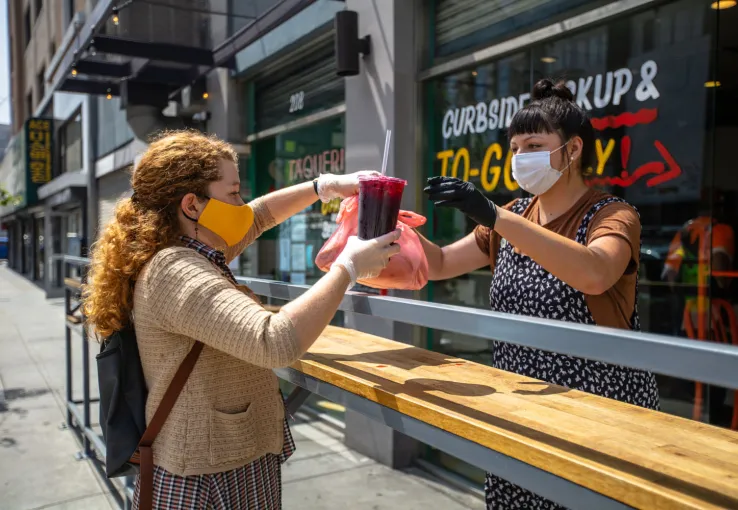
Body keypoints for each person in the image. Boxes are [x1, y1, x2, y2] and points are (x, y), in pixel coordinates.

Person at [82, 131, 400, 509]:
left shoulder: (187, 246)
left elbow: (260, 216)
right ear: (192, 205)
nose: (241, 203)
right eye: (232, 193)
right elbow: (274, 340)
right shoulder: (174, 269)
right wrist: (348, 266)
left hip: (222, 458)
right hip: (208, 475)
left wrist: (324, 187)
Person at [421, 79, 660, 510]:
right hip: (522, 407)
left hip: (598, 411)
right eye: (514, 148)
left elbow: (594, 273)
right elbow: (437, 265)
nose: (519, 157)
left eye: (532, 144)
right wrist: (388, 223)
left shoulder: (613, 214)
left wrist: (492, 214)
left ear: (572, 150)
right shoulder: (512, 215)